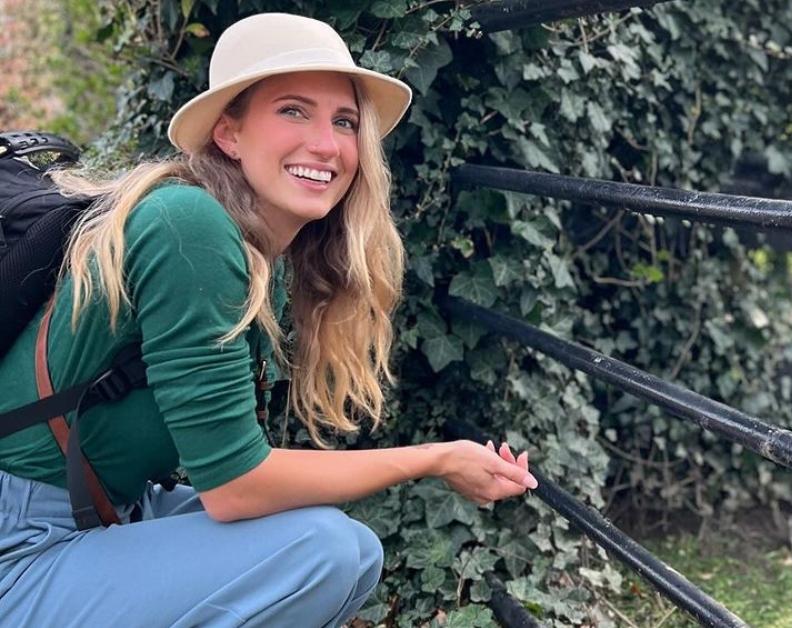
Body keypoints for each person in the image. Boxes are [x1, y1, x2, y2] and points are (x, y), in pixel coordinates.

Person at [0, 12, 537, 626]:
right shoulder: (189, 226)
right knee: (325, 553)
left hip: (106, 509)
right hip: (22, 545)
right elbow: (235, 487)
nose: (327, 144)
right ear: (228, 133)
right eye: (293, 111)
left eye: (344, 121)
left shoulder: (260, 254)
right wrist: (436, 459)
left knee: (351, 552)